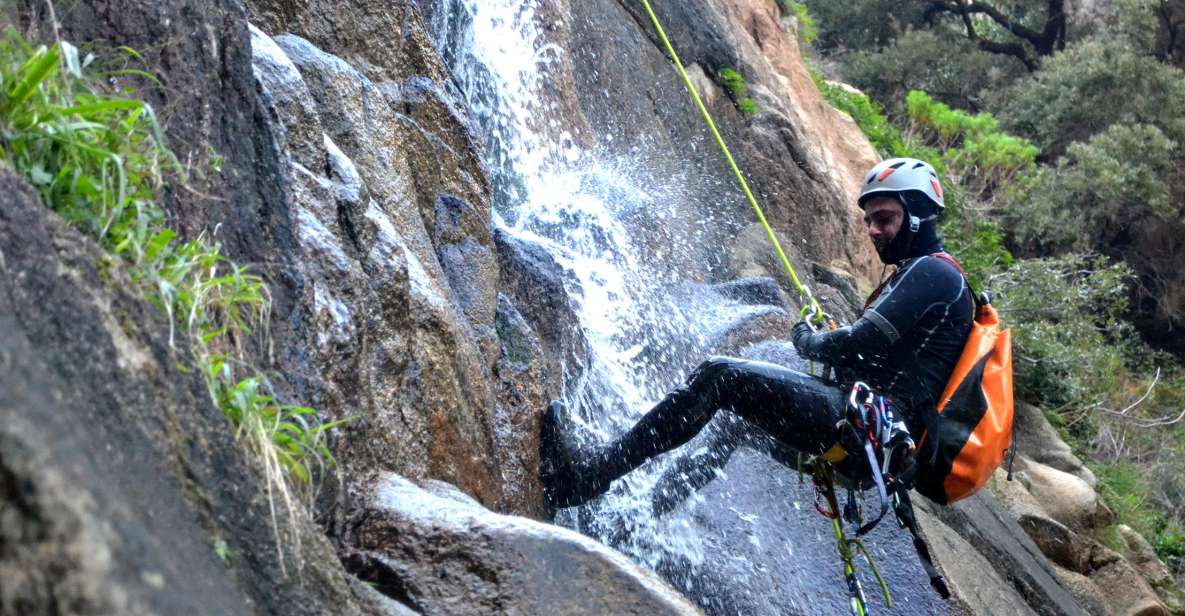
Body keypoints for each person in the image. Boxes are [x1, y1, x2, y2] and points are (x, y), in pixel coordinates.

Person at [540, 157, 974, 511]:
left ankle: (590, 475)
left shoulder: (934, 271)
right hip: (871, 443)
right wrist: (834, 341)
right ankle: (640, 517)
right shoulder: (921, 277)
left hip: (865, 432)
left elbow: (857, 345)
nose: (873, 231)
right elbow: (874, 354)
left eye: (885, 218)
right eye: (869, 221)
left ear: (918, 214)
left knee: (719, 377)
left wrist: (808, 339)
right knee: (735, 423)